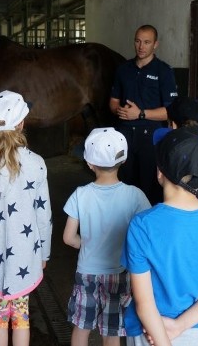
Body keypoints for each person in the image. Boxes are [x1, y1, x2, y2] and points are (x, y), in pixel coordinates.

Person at [122, 126, 198, 346]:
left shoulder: (142, 225)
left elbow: (145, 303)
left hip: (151, 332)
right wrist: (180, 325)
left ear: (159, 172)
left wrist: (164, 340)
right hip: (193, 328)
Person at [63, 127, 150, 346]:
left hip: (87, 273)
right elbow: (145, 236)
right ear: (123, 160)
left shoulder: (80, 194)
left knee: (82, 327)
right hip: (119, 273)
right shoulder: (135, 196)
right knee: (112, 331)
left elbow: (68, 237)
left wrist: (87, 244)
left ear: (90, 164)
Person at [0, 90, 53, 346]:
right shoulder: (37, 163)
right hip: (25, 252)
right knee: (21, 315)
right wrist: (44, 253)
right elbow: (43, 214)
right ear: (22, 123)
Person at [110, 24, 178, 203]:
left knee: (149, 186)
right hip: (124, 134)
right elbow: (113, 101)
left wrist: (140, 114)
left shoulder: (164, 71)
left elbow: (171, 111)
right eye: (138, 41)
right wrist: (121, 111)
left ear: (155, 44)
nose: (141, 46)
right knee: (123, 184)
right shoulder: (123, 69)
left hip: (151, 137)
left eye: (147, 42)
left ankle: (146, 226)